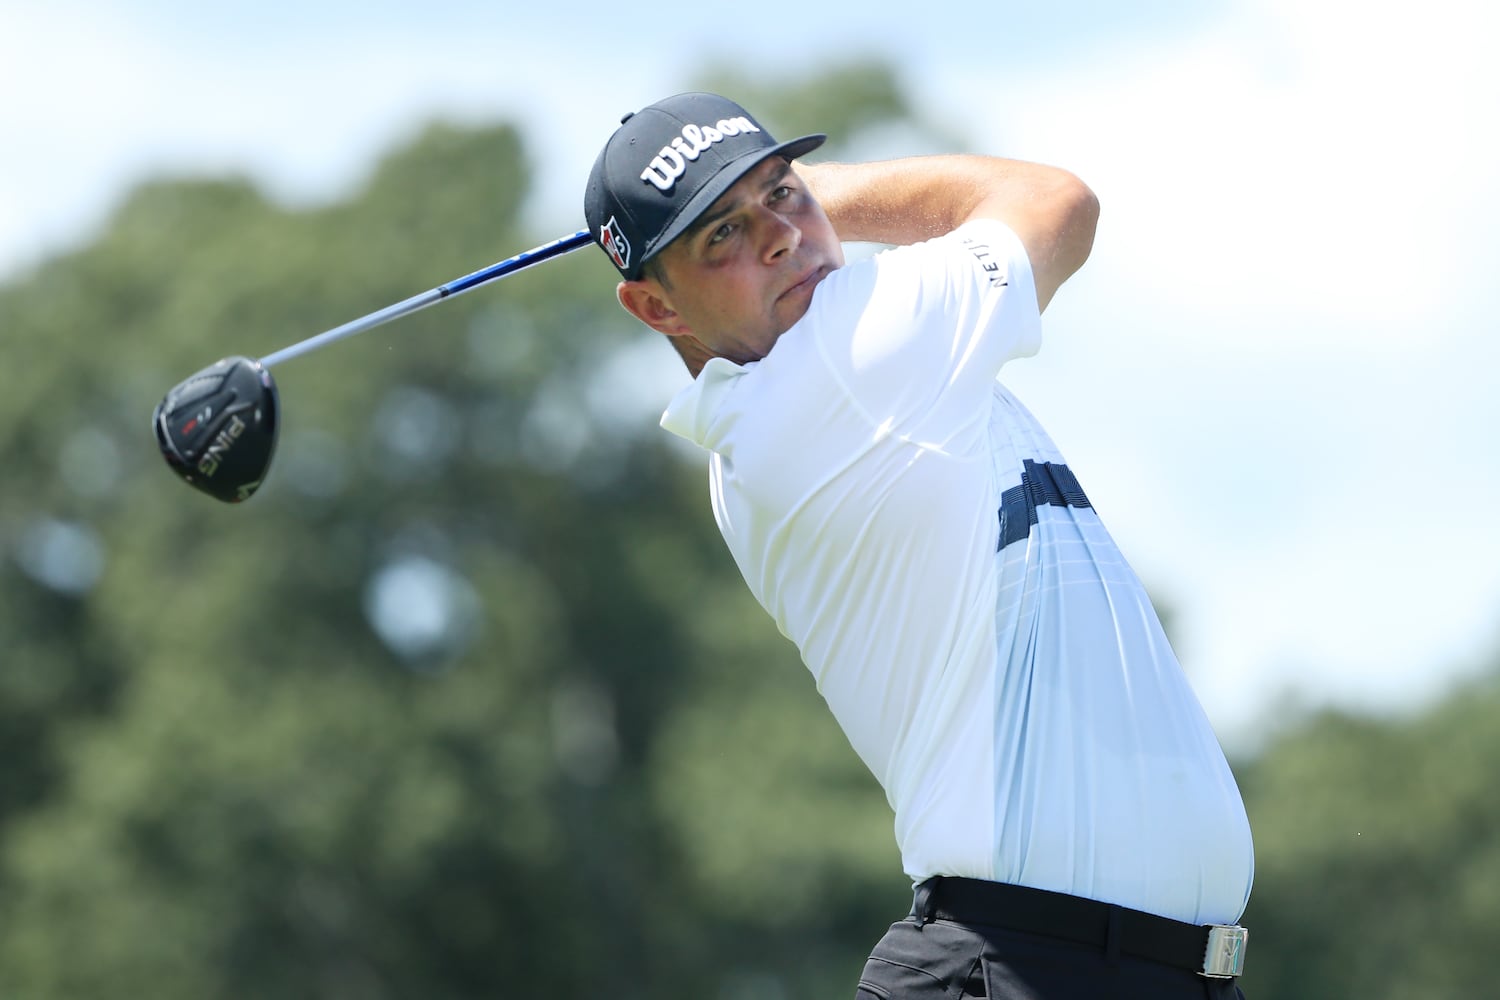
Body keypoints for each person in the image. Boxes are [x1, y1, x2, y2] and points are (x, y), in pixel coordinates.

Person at [583, 92, 1254, 999]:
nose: (779, 237)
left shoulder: (802, 399)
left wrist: (761, 211)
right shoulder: (842, 360)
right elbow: (1055, 201)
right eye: (723, 234)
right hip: (1021, 968)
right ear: (654, 307)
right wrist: (825, 193)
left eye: (782, 193)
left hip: (1097, 969)